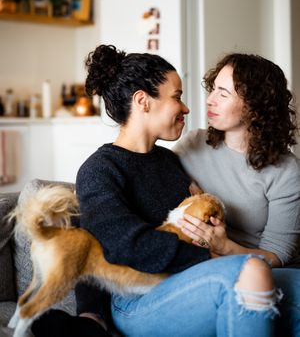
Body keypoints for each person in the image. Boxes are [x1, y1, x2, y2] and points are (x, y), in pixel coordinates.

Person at [31, 46, 291, 337]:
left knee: (266, 278)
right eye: (177, 97)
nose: (187, 107)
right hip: (137, 298)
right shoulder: (100, 169)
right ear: (142, 101)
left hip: (187, 282)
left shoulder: (171, 161)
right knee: (253, 271)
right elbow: (121, 244)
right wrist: (92, 316)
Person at [174, 52, 300, 335]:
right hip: (207, 267)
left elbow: (278, 253)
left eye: (223, 93)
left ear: (254, 107)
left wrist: (224, 247)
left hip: (268, 268)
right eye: (213, 89)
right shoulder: (192, 145)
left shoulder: (286, 170)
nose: (209, 100)